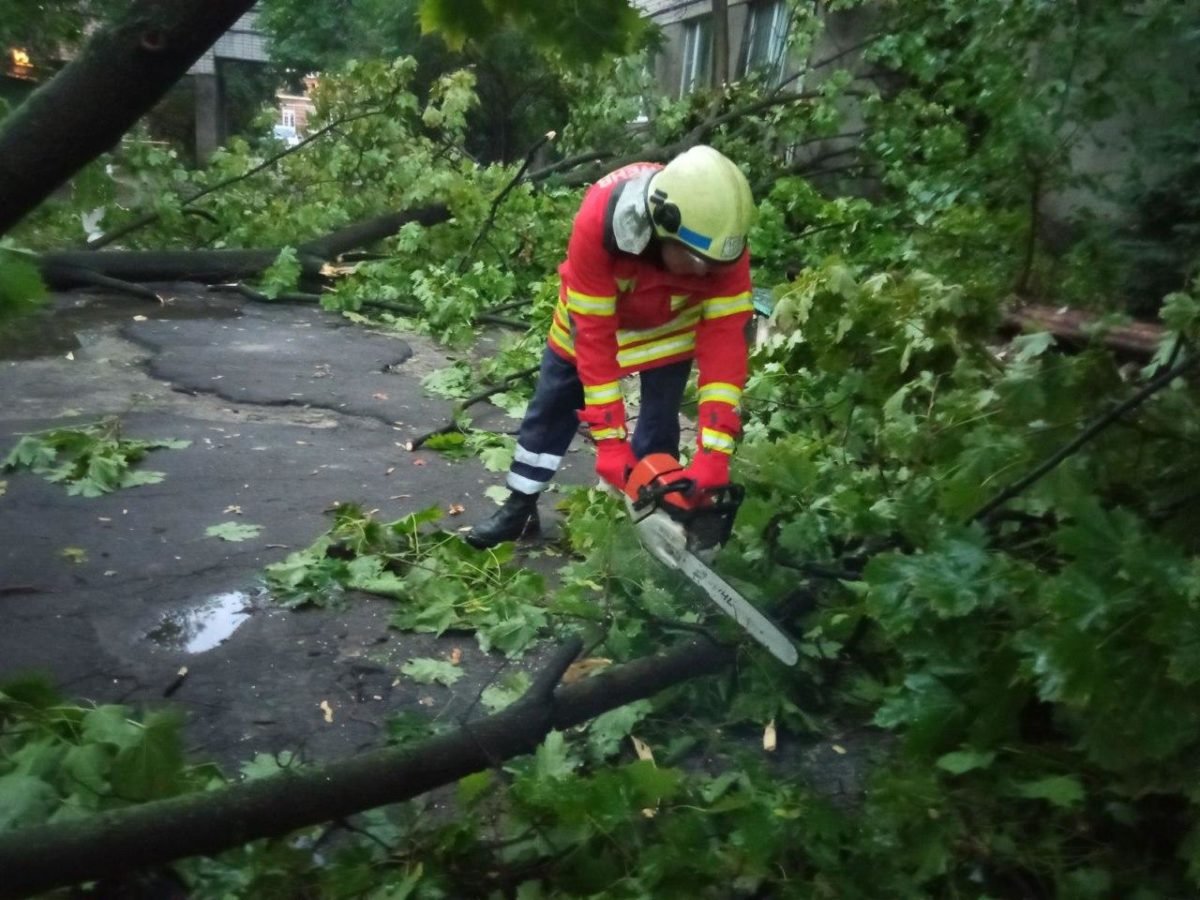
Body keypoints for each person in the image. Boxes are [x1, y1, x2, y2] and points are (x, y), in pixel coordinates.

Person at [466, 144, 756, 549]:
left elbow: (726, 342)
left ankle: (656, 522)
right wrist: (609, 441)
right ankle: (520, 506)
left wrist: (714, 450)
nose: (704, 272)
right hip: (592, 324)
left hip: (671, 328)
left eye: (714, 265)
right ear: (662, 225)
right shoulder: (601, 222)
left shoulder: (720, 239)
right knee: (552, 407)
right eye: (693, 260)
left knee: (658, 426)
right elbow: (595, 337)